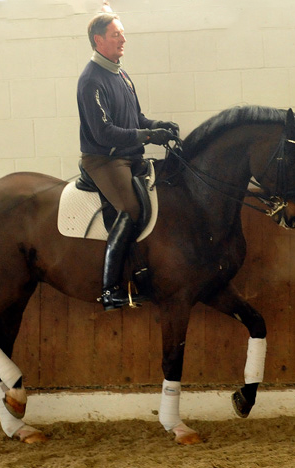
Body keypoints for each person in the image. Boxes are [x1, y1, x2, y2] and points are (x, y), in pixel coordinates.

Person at [77, 8, 179, 311]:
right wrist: (147, 137)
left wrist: (157, 126)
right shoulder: (90, 80)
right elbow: (104, 132)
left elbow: (137, 117)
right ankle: (110, 289)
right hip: (105, 160)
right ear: (99, 40)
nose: (123, 39)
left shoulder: (120, 72)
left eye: (122, 33)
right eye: (116, 34)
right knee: (132, 209)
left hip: (129, 155)